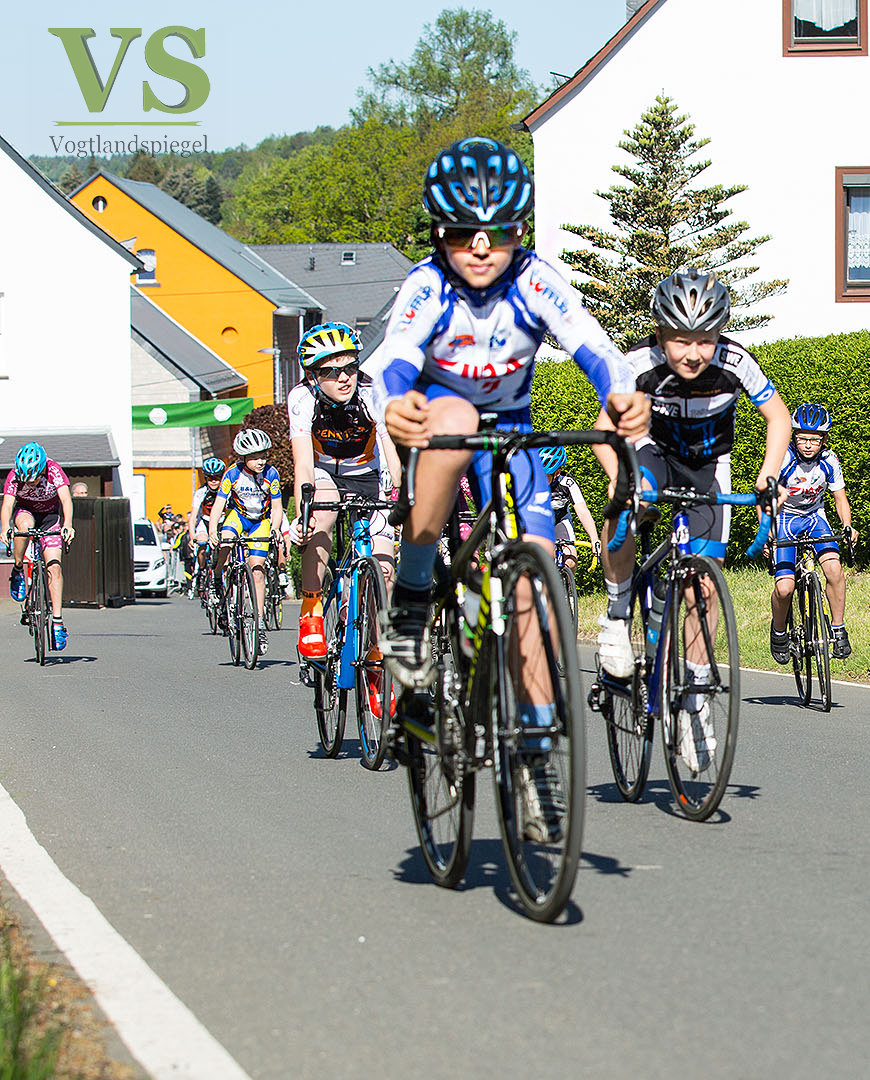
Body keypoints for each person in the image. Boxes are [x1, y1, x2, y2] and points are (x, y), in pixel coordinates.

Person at [365, 137, 645, 841]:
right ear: (440, 234)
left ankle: (535, 756)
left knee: (532, 590)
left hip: (512, 439)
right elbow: (396, 356)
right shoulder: (427, 285)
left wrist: (619, 394)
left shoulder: (535, 279)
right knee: (456, 419)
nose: (482, 249)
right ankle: (415, 592)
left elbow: (593, 345)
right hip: (437, 425)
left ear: (521, 232)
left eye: (500, 233)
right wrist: (396, 403)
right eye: (465, 234)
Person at [592, 269, 792, 773]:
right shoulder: (639, 364)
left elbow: (778, 417)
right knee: (627, 505)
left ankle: (696, 699)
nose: (693, 352)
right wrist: (622, 481)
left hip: (708, 464)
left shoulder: (736, 362)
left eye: (705, 339)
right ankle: (616, 613)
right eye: (680, 339)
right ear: (660, 333)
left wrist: (768, 475)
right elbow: (603, 432)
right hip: (651, 451)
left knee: (702, 585)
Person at [288, 321, 401, 661]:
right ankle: (311, 611)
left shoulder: (371, 392)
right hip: (324, 474)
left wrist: (403, 496)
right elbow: (303, 465)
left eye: (350, 367)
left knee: (385, 569)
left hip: (367, 476)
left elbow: (392, 453)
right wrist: (303, 514)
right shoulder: (301, 398)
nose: (344, 378)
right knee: (321, 510)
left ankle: (376, 656)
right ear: (313, 376)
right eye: (331, 371)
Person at [768, 403, 858, 664]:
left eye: (814, 439)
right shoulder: (783, 459)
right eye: (802, 438)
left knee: (834, 570)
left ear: (824, 440)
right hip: (785, 518)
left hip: (814, 517)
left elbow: (839, 498)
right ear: (794, 437)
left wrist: (847, 525)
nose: (808, 445)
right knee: (784, 588)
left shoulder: (829, 461)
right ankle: (779, 632)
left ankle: (838, 630)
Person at [205, 428, 288, 657]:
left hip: (260, 520)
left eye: (264, 455)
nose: (261, 461)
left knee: (258, 570)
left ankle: (259, 623)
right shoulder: (232, 474)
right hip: (238, 516)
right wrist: (212, 530)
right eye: (255, 457)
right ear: (244, 457)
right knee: (226, 542)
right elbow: (219, 504)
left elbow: (277, 506)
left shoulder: (271, 474)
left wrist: (275, 528)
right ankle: (218, 575)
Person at [3, 443, 76, 650]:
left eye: (34, 478)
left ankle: (57, 622)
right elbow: (7, 504)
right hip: (25, 512)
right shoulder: (14, 475)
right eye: (26, 479)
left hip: (50, 517)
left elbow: (66, 499)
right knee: (25, 527)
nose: (31, 483)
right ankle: (18, 568)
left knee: (54, 567)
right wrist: (5, 527)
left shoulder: (54, 470)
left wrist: (68, 524)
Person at [537, 445, 599, 588]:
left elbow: (582, 511)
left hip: (560, 520)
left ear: (557, 472)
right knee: (545, 555)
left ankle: (567, 592)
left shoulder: (567, 482)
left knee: (570, 559)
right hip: (539, 522)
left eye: (546, 475)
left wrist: (594, 538)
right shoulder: (532, 482)